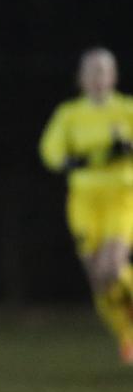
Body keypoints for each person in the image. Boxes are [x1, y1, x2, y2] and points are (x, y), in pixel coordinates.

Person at [40, 48, 133, 364]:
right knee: (99, 279)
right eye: (91, 71)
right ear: (80, 78)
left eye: (103, 71)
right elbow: (50, 151)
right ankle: (126, 335)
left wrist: (126, 147)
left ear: (114, 76)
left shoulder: (127, 109)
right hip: (84, 202)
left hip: (121, 198)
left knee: (113, 267)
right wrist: (70, 161)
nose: (97, 77)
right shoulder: (69, 114)